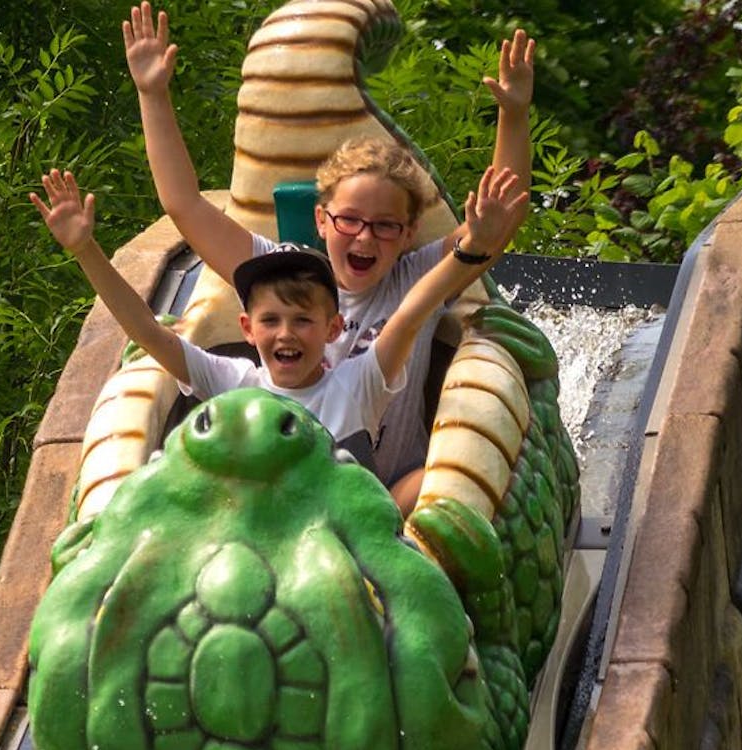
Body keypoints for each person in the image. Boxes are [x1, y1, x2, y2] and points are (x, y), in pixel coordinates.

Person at [122, 2, 535, 496]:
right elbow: (185, 206)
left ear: (407, 233)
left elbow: (496, 225)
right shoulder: (286, 272)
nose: (364, 237)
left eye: (384, 226)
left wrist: (512, 115)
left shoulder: (413, 276)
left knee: (438, 494)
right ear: (322, 219)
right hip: (295, 487)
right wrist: (151, 94)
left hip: (388, 490)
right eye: (350, 221)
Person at [30, 166, 527, 510]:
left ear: (334, 330)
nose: (286, 334)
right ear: (248, 329)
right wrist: (86, 250)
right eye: (271, 321)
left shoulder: (357, 385)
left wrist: (473, 247)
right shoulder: (234, 381)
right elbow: (146, 331)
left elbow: (416, 307)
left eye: (304, 322)